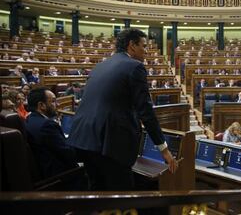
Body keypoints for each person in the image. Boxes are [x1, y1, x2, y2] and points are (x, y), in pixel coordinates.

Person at [67, 28, 178, 191]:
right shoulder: (134, 67)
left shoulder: (100, 66)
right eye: (143, 46)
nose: (146, 51)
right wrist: (164, 149)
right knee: (121, 196)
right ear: (132, 45)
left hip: (85, 140)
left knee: (98, 193)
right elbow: (145, 111)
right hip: (111, 144)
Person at [25, 88, 79, 180]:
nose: (57, 104)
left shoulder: (29, 119)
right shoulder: (47, 125)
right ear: (41, 105)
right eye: (53, 101)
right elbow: (69, 154)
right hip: (59, 176)